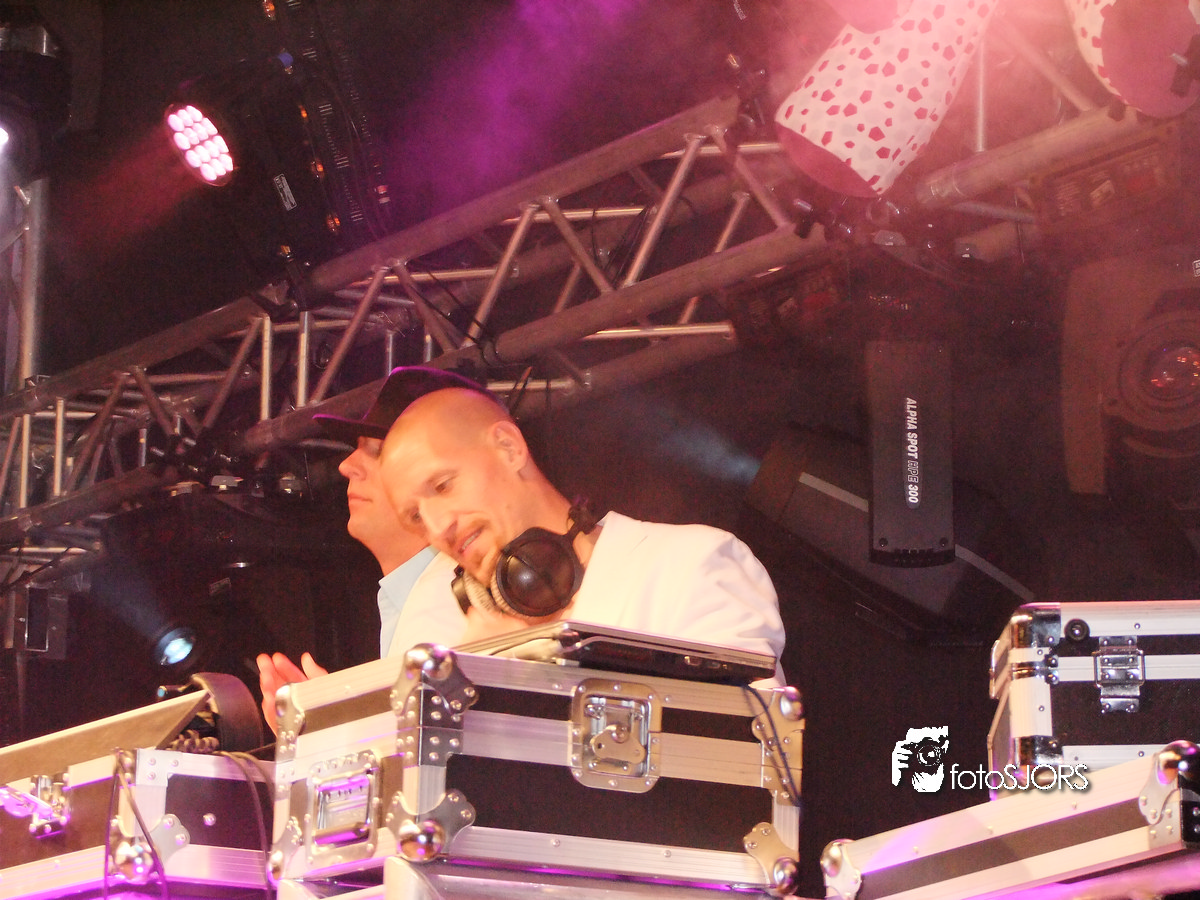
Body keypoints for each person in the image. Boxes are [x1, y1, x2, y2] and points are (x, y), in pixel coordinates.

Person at [377, 368, 786, 677]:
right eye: (415, 517)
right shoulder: (447, 644)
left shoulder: (689, 565)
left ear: (508, 448)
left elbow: (745, 747)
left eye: (443, 486)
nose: (437, 527)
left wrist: (504, 683)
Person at [255, 369, 480, 727]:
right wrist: (332, 724)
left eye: (376, 452)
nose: (346, 465)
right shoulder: (422, 592)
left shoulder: (454, 594)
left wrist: (337, 728)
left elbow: (426, 749)